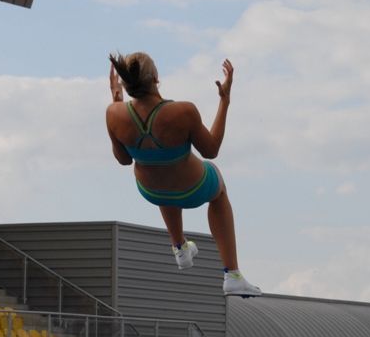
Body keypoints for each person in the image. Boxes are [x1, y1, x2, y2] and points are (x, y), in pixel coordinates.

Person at [106, 53, 260, 298]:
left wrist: (116, 102)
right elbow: (211, 150)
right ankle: (232, 274)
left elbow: (124, 160)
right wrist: (225, 101)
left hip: (151, 191)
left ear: (125, 85)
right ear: (156, 79)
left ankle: (180, 248)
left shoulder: (113, 113)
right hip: (193, 188)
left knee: (161, 175)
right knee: (218, 186)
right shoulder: (183, 111)